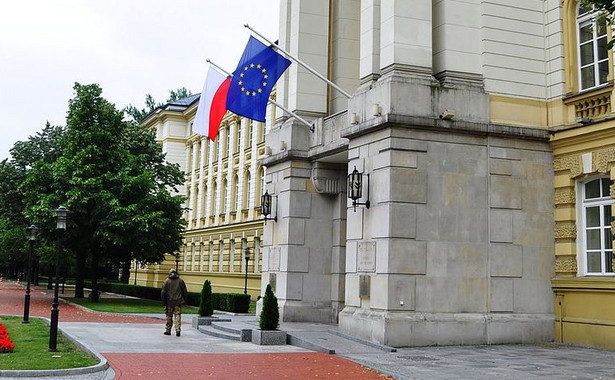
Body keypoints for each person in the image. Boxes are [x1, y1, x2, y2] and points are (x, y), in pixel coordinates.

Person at [161, 268, 188, 336]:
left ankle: (168, 330)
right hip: (178, 302)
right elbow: (184, 292)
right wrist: (185, 300)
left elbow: (163, 293)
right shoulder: (180, 281)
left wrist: (164, 303)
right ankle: (178, 329)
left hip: (169, 302)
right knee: (177, 315)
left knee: (169, 316)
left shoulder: (166, 281)